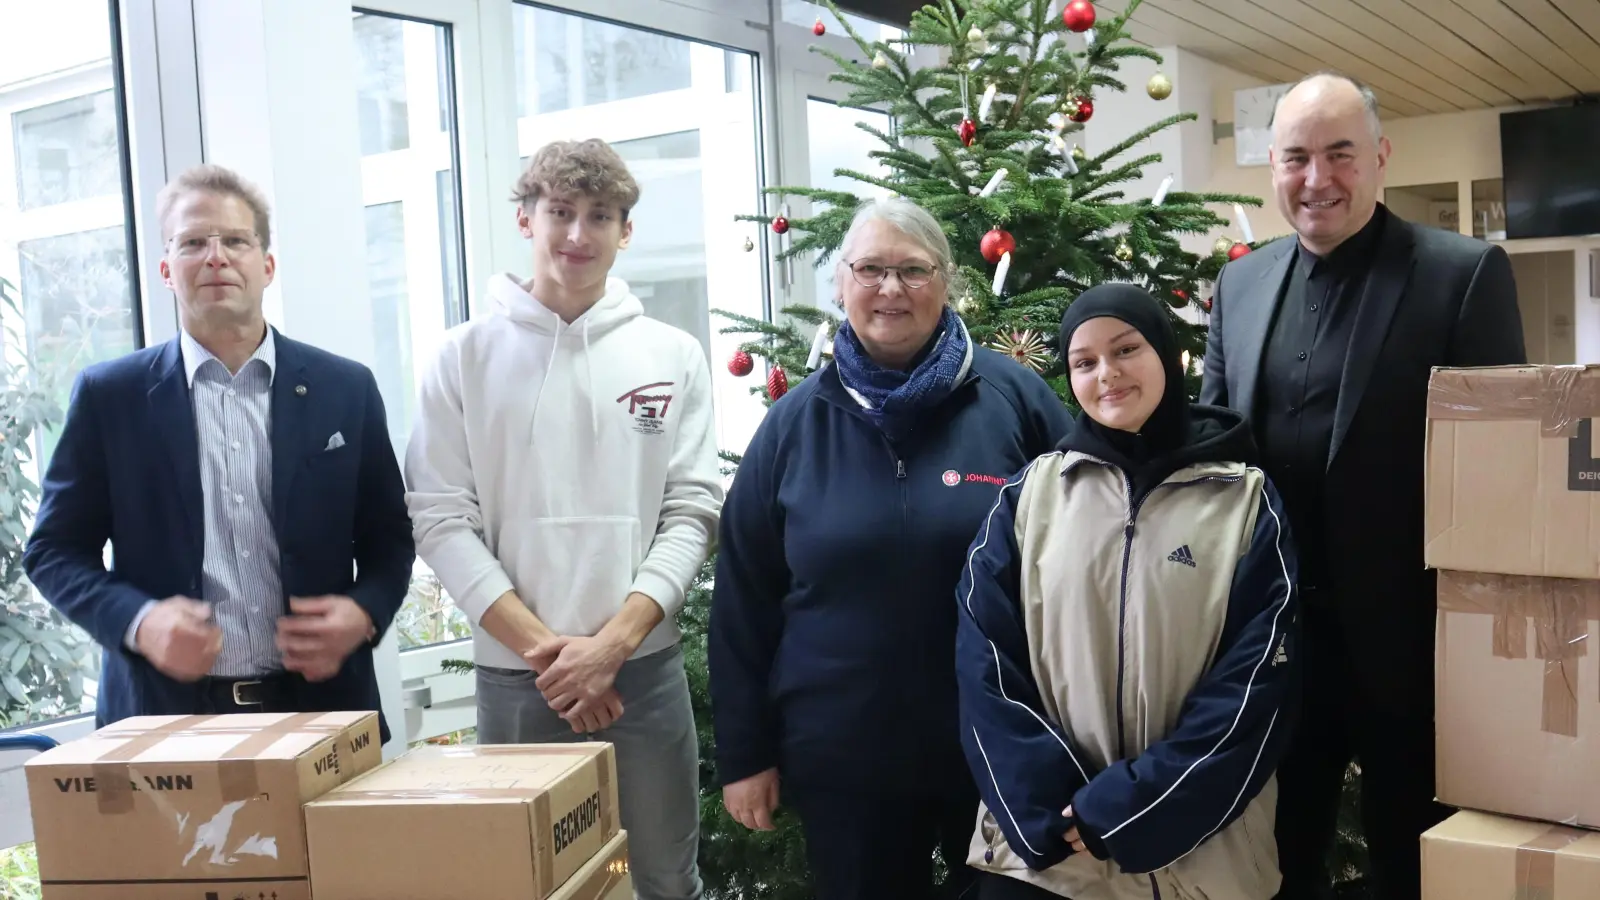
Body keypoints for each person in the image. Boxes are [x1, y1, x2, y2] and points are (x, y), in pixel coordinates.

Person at [1201, 72, 1525, 900]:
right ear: (1272, 167)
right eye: (1296, 158)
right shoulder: (1239, 285)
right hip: (1273, 644)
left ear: (1379, 157)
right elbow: (1211, 446)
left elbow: (1502, 471)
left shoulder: (1462, 273)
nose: (1318, 180)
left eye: (1340, 154)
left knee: (1414, 863)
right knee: (1278, 859)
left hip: (1411, 648)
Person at [709, 197, 1073, 900]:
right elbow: (744, 602)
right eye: (871, 269)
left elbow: (1083, 562)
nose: (890, 289)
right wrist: (745, 756)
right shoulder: (791, 428)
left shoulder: (1017, 402)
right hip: (845, 759)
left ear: (946, 283)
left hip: (998, 746)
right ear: (842, 283)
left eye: (913, 270)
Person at [404, 138, 720, 900]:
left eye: (600, 217)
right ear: (526, 219)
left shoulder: (672, 354)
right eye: (560, 213)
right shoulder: (461, 359)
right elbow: (441, 520)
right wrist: (557, 658)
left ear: (626, 231)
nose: (578, 236)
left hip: (641, 673)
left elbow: (692, 512)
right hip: (520, 681)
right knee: (531, 885)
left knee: (663, 881)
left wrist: (611, 646)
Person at [23, 164, 414, 741]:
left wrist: (365, 613)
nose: (216, 257)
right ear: (166, 270)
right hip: (163, 722)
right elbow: (53, 551)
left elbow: (390, 540)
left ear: (267, 265)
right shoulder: (111, 397)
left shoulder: (345, 389)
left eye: (235, 240)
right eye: (193, 243)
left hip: (322, 716)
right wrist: (139, 621)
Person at [957, 283, 1300, 900]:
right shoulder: (1028, 498)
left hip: (1201, 862)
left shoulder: (1244, 500)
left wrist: (1133, 807)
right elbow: (985, 664)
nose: (1106, 374)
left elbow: (1257, 686)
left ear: (1166, 355)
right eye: (1084, 362)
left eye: (1126, 350)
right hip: (1048, 863)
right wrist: (1050, 811)